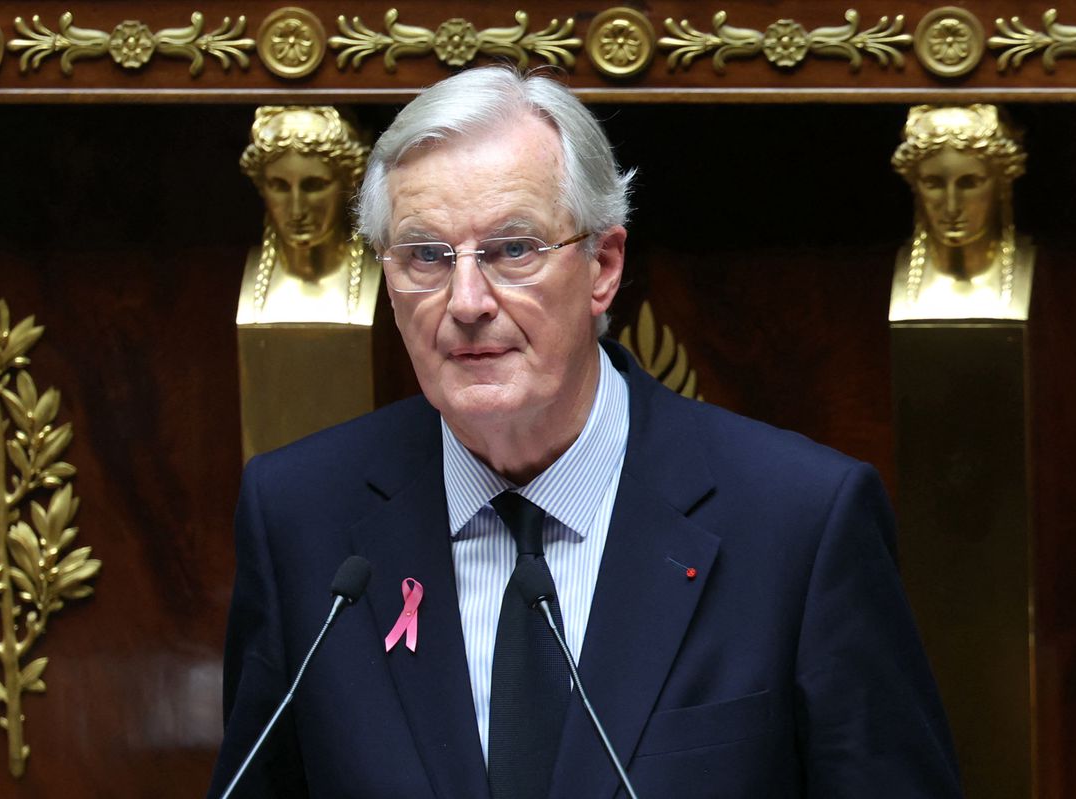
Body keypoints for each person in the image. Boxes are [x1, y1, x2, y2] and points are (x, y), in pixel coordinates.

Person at [210, 67, 962, 798]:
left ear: (603, 265)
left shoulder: (801, 524)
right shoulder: (301, 520)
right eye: (426, 257)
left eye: (513, 249)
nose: (466, 300)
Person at [236, 105, 380, 325]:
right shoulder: (243, 276)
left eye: (314, 186)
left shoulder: (376, 269)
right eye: (279, 186)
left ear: (350, 183)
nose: (297, 210)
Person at [889, 104, 1032, 321]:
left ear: (1002, 184)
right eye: (933, 184)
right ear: (915, 184)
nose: (952, 207)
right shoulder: (878, 276)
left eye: (969, 183)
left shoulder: (1048, 275)